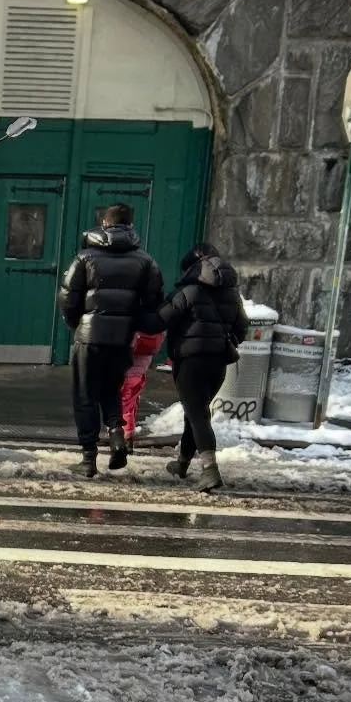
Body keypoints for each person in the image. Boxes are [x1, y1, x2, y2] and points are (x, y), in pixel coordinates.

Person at [57, 204, 163, 478]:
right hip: (122, 339)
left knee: (85, 395)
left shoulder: (84, 258)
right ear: (131, 225)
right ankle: (117, 435)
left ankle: (88, 458)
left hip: (89, 337)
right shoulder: (145, 261)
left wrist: (78, 323)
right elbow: (153, 303)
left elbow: (68, 297)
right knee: (111, 390)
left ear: (104, 223)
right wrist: (133, 324)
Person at [159, 240, 248, 492]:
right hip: (218, 362)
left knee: (197, 413)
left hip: (191, 362)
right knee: (194, 411)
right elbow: (242, 327)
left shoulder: (188, 292)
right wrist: (222, 341)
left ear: (193, 268)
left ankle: (210, 470)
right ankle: (182, 463)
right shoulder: (232, 294)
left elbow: (162, 318)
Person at [119, 327, 162, 450]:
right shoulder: (151, 325)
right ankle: (127, 433)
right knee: (132, 402)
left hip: (127, 370)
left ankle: (126, 436)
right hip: (141, 370)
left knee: (124, 405)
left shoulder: (132, 327)